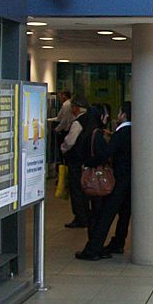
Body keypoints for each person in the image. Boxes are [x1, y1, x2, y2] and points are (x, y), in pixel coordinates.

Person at [76, 102, 132, 260]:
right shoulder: (136, 131)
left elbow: (106, 153)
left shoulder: (121, 133)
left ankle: (93, 249)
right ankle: (118, 242)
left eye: (119, 112)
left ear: (124, 114)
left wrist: (89, 163)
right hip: (131, 181)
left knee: (106, 215)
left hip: (119, 180)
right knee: (125, 214)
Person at [60, 95, 90, 227]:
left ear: (77, 108)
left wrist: (63, 148)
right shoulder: (91, 120)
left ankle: (80, 217)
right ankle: (86, 215)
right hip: (86, 160)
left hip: (76, 161)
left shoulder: (77, 123)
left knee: (76, 189)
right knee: (84, 190)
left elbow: (70, 141)